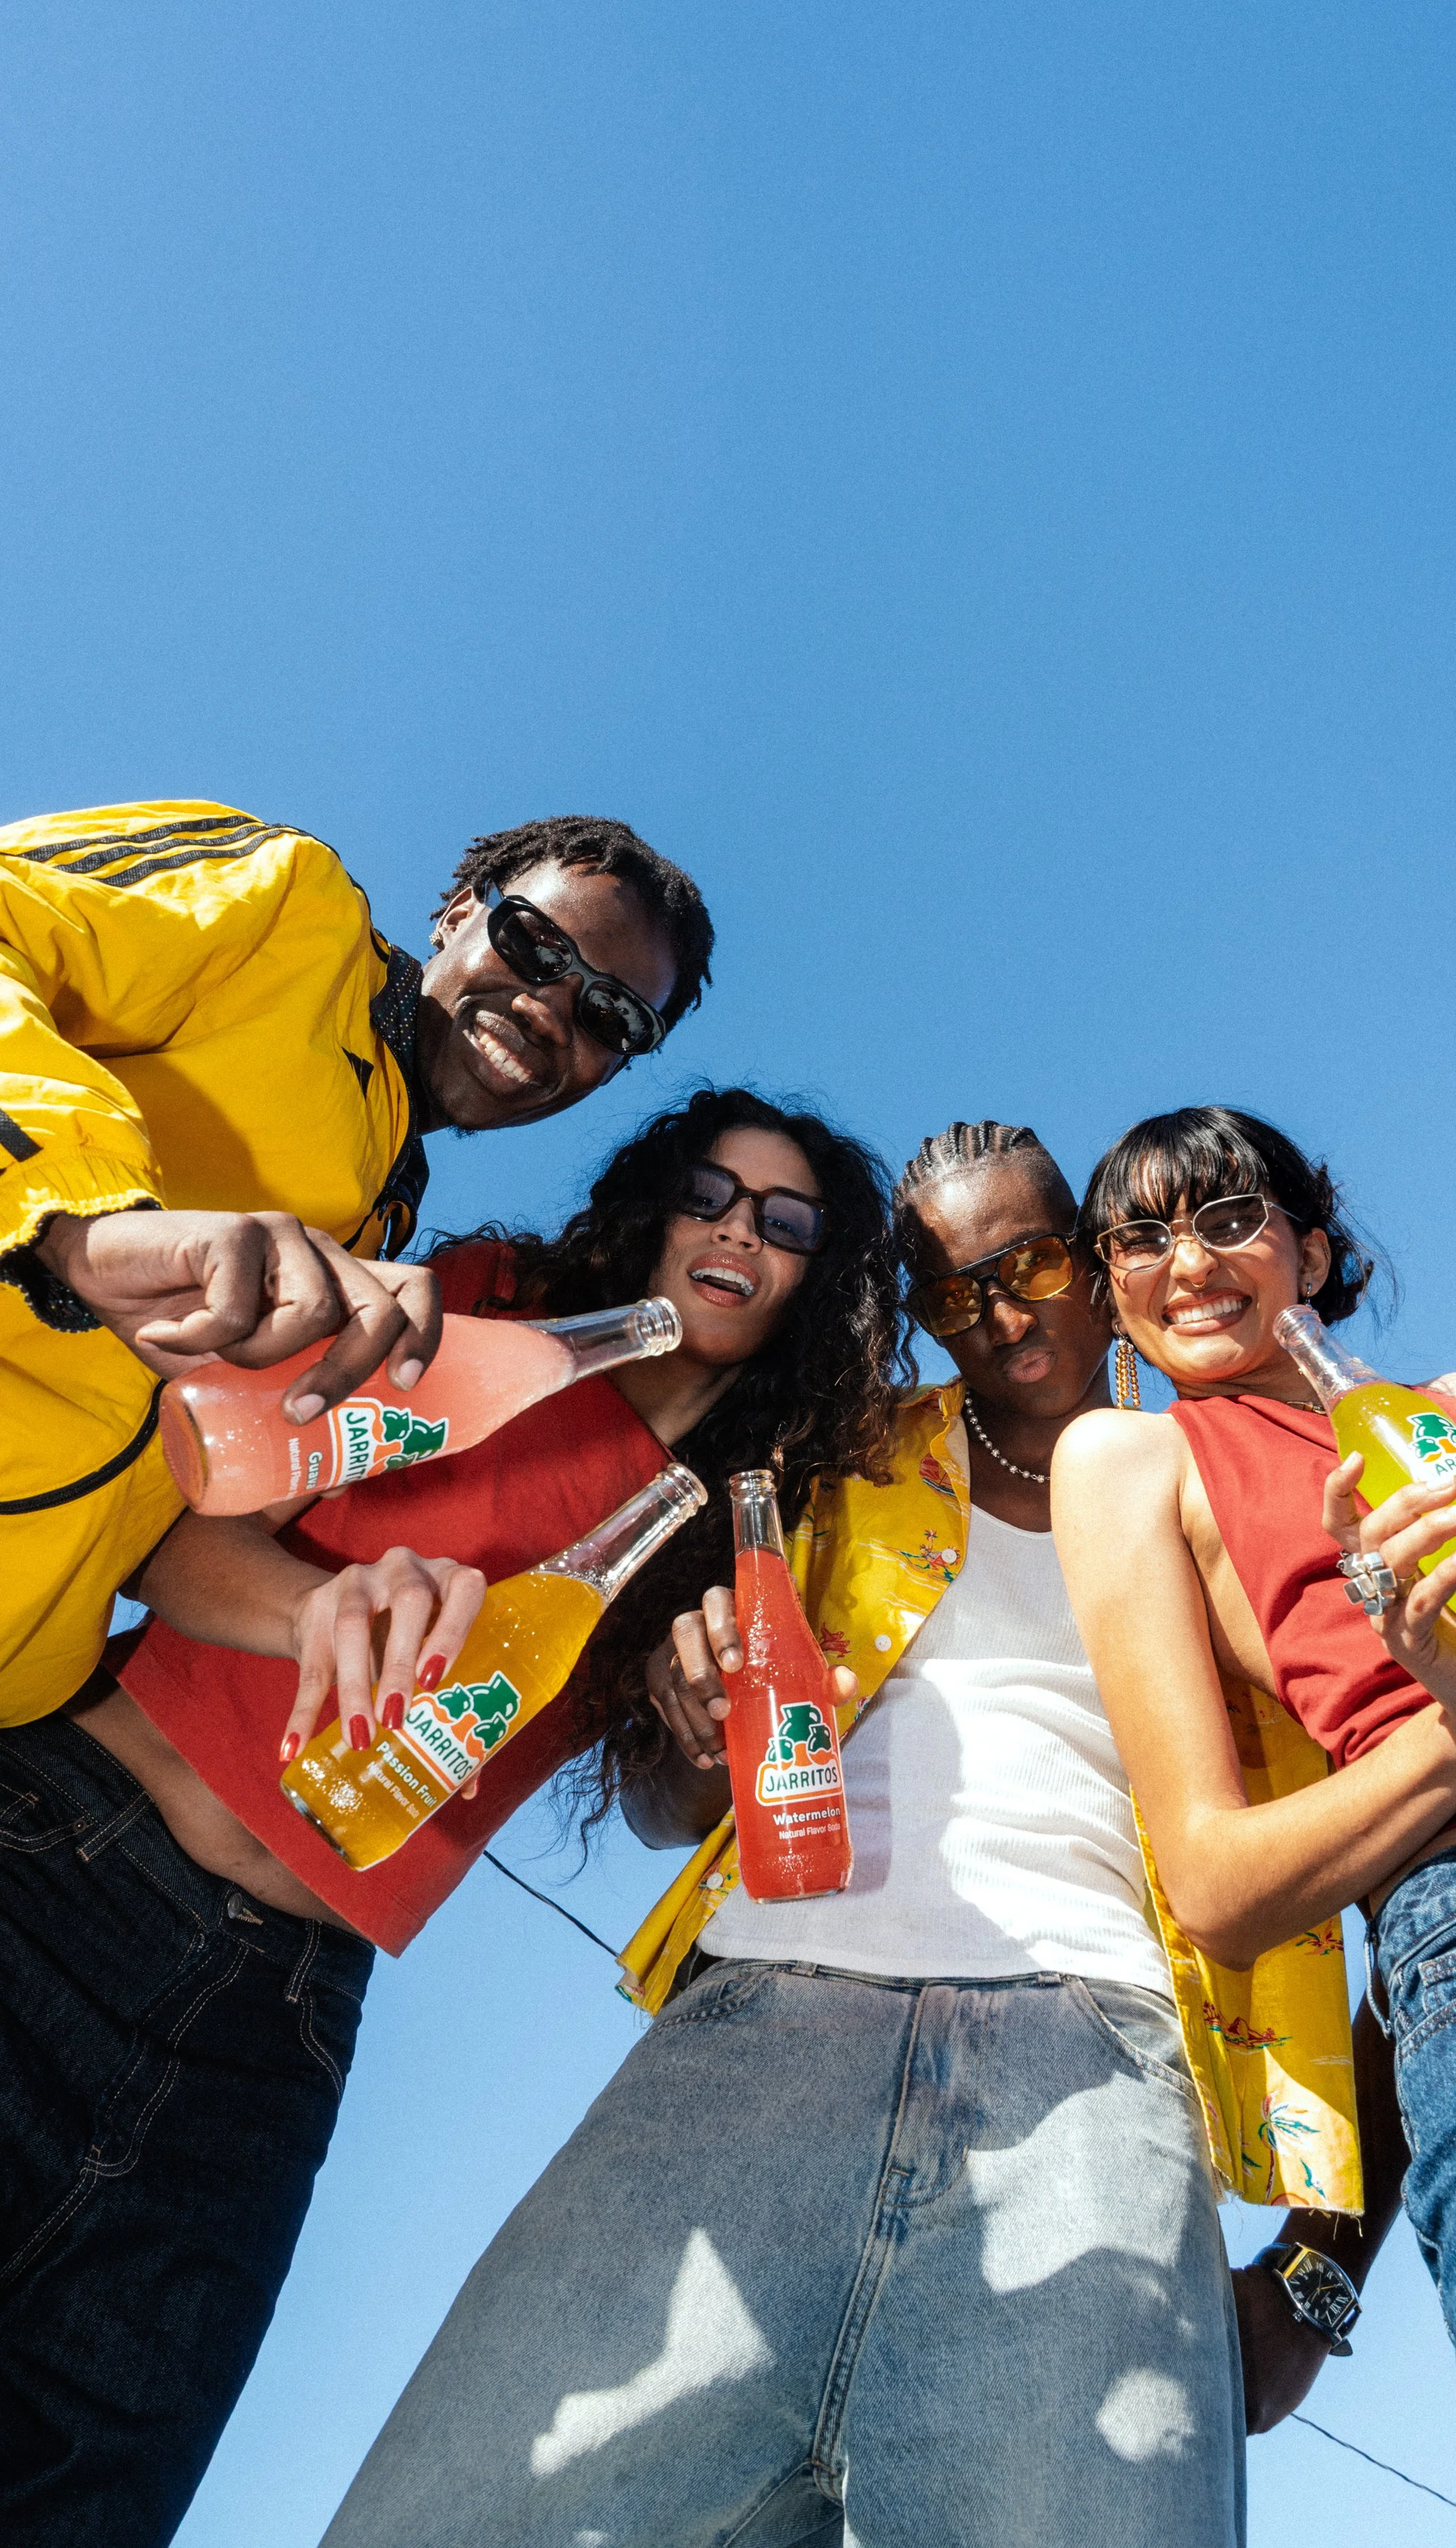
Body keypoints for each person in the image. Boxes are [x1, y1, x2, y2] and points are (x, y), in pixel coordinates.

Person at [317, 1121, 1402, 2548]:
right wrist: (688, 1724)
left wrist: (1321, 2272)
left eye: (1029, 1266)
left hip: (1101, 2071)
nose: (997, 1315)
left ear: (1094, 1263)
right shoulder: (828, 1462)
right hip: (756, 2038)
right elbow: (663, 1808)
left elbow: (1426, 1884)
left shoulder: (1247, 1490)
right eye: (950, 1291)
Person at [0, 1089, 894, 2548]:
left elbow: (664, 1808)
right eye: (709, 1193)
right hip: (69, 1855)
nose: (737, 1228)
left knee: (89, 2487)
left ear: (814, 1276)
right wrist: (320, 1613)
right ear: (656, 1209)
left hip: (278, 2008)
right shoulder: (481, 1312)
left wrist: (695, 1733)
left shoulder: (739, 1528)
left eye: (785, 1222)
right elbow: (165, 1523)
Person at [1053, 1104, 1456, 2548]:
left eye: (1228, 1217)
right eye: (1137, 1239)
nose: (1186, 1262)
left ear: (1310, 1247)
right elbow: (1214, 1882)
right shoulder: (1134, 1461)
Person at [0, 797, 711, 1721]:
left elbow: (145, 1504)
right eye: (537, 945)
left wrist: (316, 1609)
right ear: (459, 911)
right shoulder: (292, 907)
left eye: (611, 1016)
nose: (549, 1009)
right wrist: (79, 1223)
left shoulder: (383, 1228)